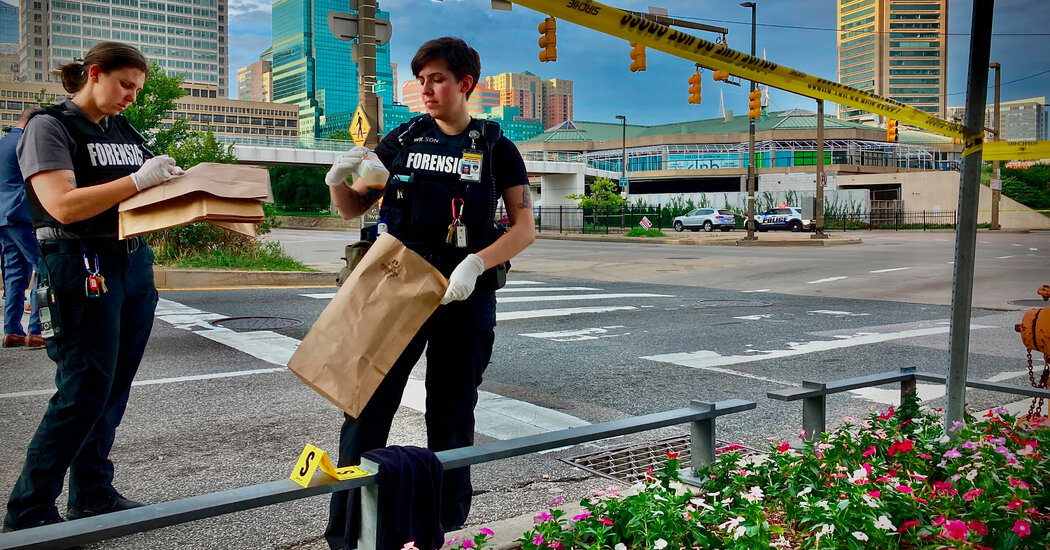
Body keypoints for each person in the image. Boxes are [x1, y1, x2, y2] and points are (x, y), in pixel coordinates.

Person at [323, 37, 535, 548]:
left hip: (463, 294)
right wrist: (336, 181)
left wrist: (476, 263)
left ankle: (443, 527)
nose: (426, 89)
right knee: (367, 408)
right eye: (421, 80)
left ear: (465, 85)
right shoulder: (403, 139)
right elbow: (352, 208)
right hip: (397, 287)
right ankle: (350, 530)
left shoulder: (496, 148)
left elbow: (524, 227)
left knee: (453, 412)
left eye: (437, 79)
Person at [3, 41, 184, 532]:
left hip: (131, 262)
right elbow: (62, 204)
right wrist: (138, 181)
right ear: (95, 74)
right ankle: (29, 511)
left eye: (138, 89)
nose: (132, 96)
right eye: (126, 85)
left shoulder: (119, 126)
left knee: (114, 387)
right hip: (78, 262)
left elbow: (145, 185)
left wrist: (177, 184)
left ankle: (93, 493)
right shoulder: (49, 126)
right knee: (83, 389)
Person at [1, 108, 45, 349]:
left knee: (14, 274)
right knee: (43, 268)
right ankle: (36, 331)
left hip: (3, 218)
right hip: (22, 213)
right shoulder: (26, 142)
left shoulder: (3, 142)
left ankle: (12, 331)